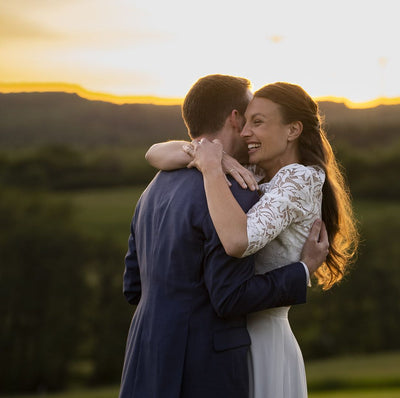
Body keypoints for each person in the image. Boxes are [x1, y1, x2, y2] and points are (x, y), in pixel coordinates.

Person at [119, 75, 329, 398]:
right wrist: (302, 272)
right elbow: (229, 296)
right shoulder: (233, 195)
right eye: (247, 119)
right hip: (203, 366)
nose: (248, 132)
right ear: (235, 118)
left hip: (143, 359)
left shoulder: (152, 189)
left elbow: (133, 286)